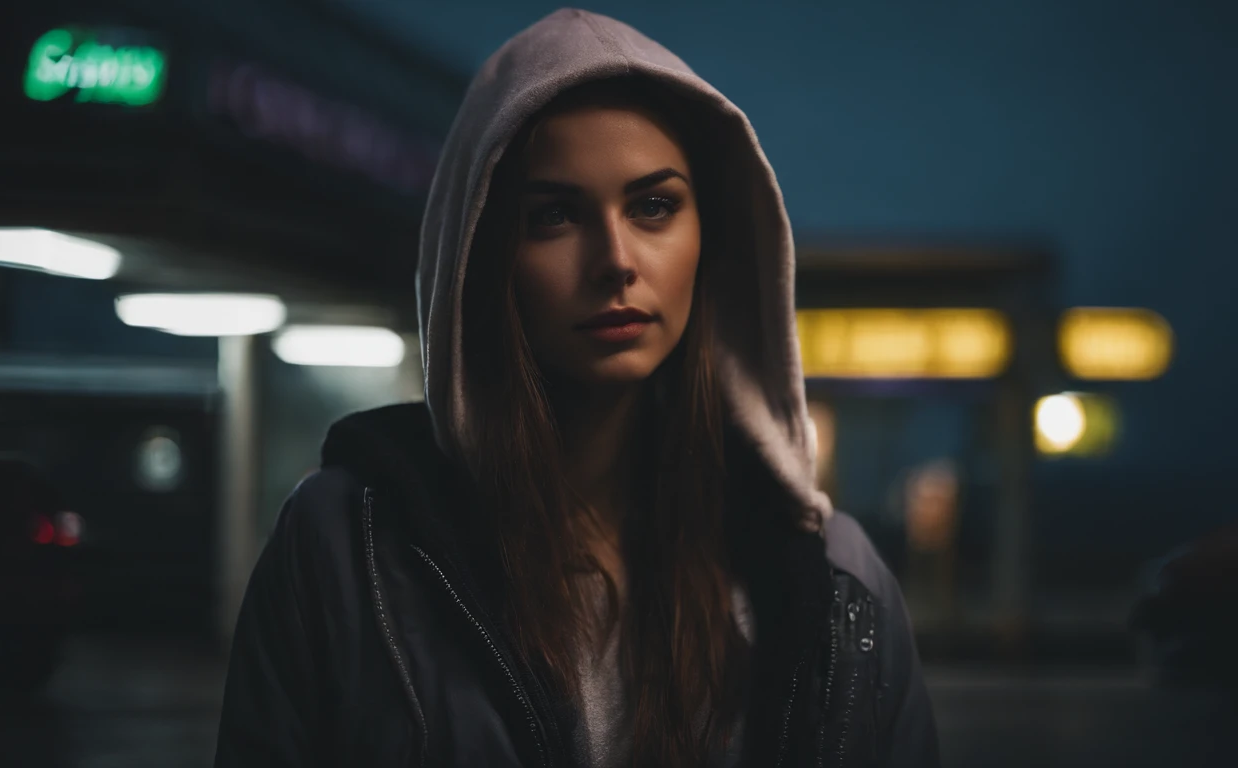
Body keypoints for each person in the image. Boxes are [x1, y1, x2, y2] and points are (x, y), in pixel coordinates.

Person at [215, 8, 938, 767]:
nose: (615, 260)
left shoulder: (835, 583)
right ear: (481, 256)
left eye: (653, 206)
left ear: (710, 239)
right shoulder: (342, 548)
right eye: (555, 215)